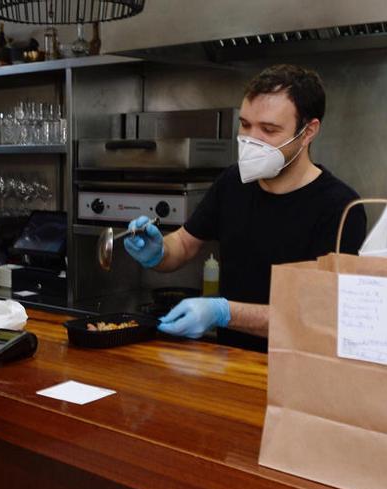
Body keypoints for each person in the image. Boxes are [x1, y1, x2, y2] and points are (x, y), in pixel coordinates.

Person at [124, 64, 367, 351]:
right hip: (231, 364)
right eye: (246, 124)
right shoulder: (232, 182)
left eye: (269, 129)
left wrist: (224, 312)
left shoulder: (341, 209)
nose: (252, 139)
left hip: (295, 373)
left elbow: (318, 318)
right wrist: (159, 251)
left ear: (308, 131)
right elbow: (185, 244)